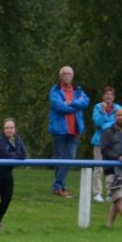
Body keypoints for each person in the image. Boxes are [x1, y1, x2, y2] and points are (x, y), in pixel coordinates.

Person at [47, 65, 90, 198]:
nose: (66, 76)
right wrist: (75, 106)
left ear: (72, 76)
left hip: (74, 130)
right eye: (64, 74)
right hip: (59, 130)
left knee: (70, 158)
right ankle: (59, 187)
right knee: (60, 159)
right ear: (60, 76)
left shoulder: (78, 90)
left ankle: (58, 186)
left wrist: (69, 103)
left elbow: (86, 102)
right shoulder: (55, 90)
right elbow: (58, 106)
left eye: (69, 74)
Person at [0, 117, 27, 228]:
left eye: (11, 127)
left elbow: (24, 155)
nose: (9, 130)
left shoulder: (17, 139)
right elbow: (6, 155)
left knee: (7, 198)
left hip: (6, 174)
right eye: (7, 128)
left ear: (15, 129)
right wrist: (17, 154)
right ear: (3, 129)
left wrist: (16, 154)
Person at [90, 86, 122, 203]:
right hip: (99, 141)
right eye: (106, 94)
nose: (109, 96)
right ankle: (97, 193)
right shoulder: (98, 107)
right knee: (98, 168)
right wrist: (103, 113)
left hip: (114, 142)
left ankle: (111, 192)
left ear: (113, 97)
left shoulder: (119, 108)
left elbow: (119, 123)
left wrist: (106, 125)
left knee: (112, 168)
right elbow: (97, 123)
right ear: (103, 96)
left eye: (111, 94)